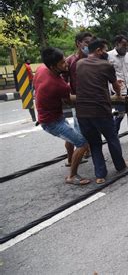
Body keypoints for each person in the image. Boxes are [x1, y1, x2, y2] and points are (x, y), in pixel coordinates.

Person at [33, 47, 90, 185]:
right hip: (51, 122)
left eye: (65, 60)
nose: (66, 64)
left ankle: (71, 160)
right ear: (53, 66)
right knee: (82, 143)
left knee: (70, 137)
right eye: (63, 63)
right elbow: (69, 102)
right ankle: (72, 176)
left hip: (50, 115)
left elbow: (36, 86)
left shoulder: (41, 69)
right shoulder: (59, 85)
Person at [76, 38, 128, 184]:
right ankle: (120, 165)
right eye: (104, 50)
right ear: (98, 50)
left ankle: (100, 174)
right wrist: (118, 95)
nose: (106, 52)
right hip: (100, 110)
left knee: (94, 143)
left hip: (82, 111)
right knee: (112, 138)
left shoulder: (79, 64)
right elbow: (115, 86)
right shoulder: (106, 65)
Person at [64, 31, 93, 157]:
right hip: (78, 101)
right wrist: (68, 96)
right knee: (78, 129)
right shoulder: (70, 61)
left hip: (92, 99)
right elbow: (63, 81)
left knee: (92, 127)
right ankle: (73, 157)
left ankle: (88, 150)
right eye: (87, 42)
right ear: (78, 43)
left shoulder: (93, 59)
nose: (89, 45)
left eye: (91, 43)